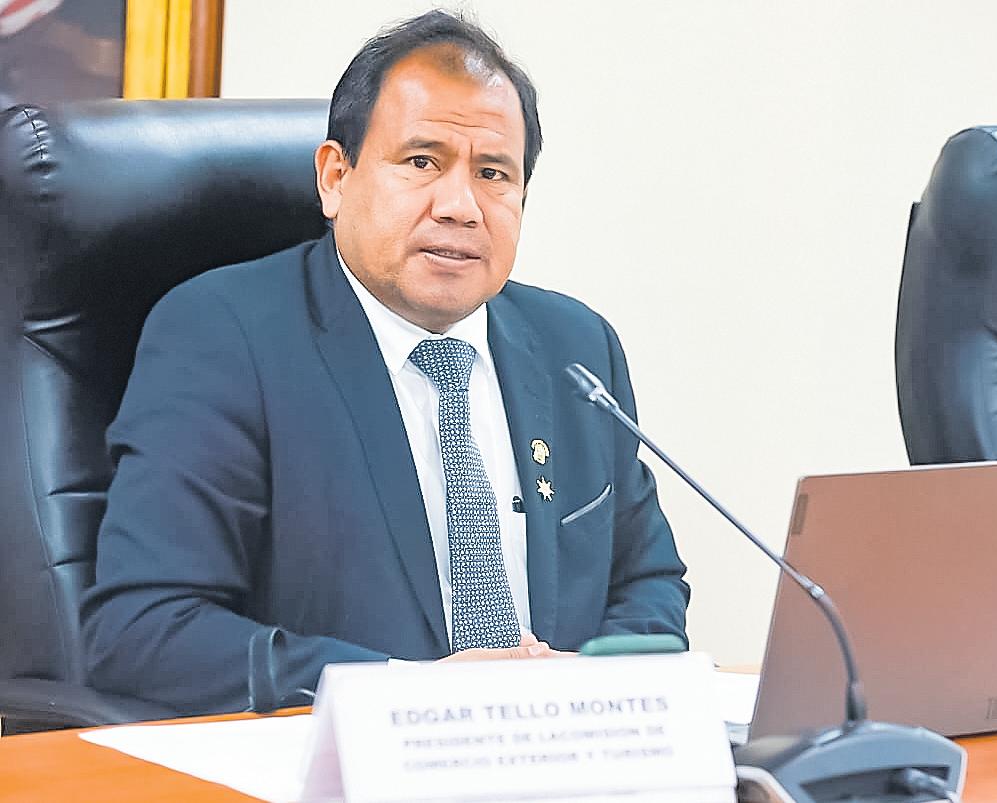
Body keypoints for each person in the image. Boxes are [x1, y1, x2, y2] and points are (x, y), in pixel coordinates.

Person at [82, 9, 688, 716]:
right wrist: (408, 696)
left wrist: (583, 691)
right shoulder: (222, 336)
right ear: (335, 177)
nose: (460, 206)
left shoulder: (576, 348)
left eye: (493, 173)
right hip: (336, 759)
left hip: (556, 752)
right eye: (422, 162)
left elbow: (648, 584)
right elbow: (143, 630)